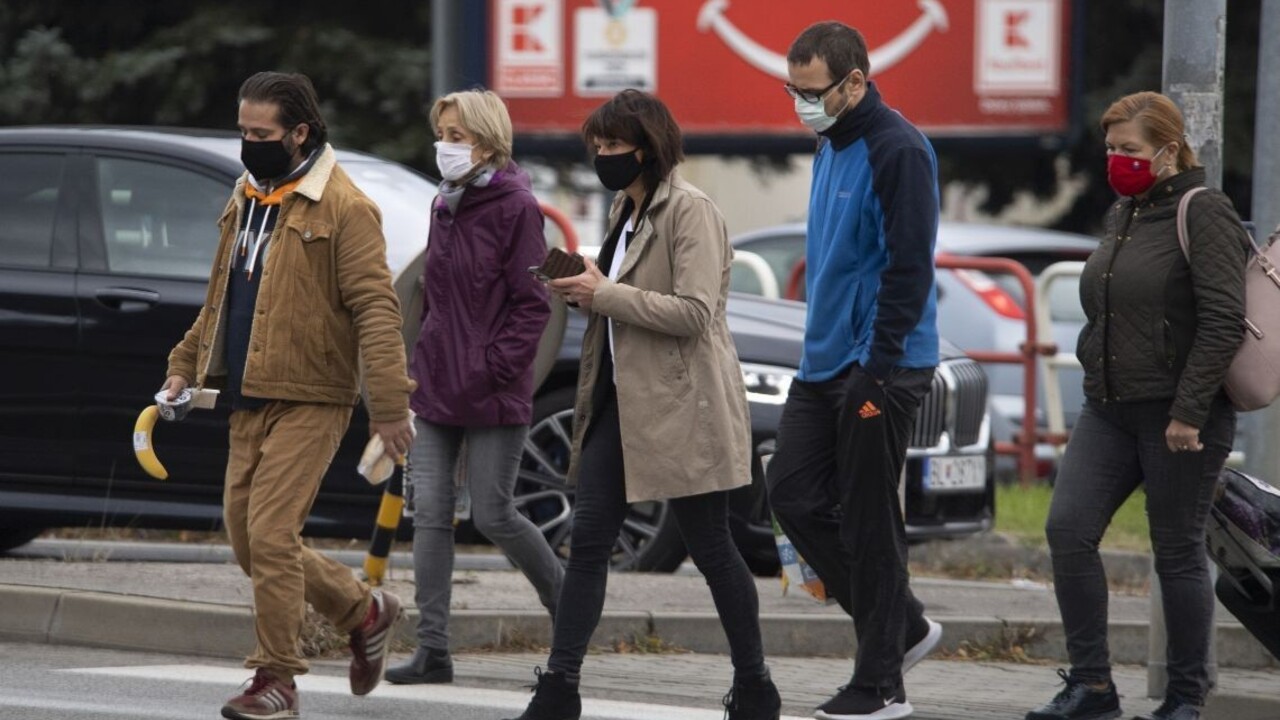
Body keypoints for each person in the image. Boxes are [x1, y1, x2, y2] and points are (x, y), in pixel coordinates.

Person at [503, 89, 781, 720]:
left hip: (683, 406)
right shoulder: (624, 211)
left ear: (648, 147)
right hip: (618, 402)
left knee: (711, 546)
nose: (603, 157)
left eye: (613, 147)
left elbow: (694, 312)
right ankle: (560, 686)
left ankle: (756, 684)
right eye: (596, 147)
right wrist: (583, 290)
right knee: (590, 538)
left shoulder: (691, 210)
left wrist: (602, 295)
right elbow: (619, 300)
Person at [163, 71, 413, 720]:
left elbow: (377, 311)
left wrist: (388, 408)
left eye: (262, 134)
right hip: (246, 396)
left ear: (300, 133)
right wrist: (182, 367)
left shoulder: (347, 210)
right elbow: (218, 299)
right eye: (243, 131)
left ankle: (277, 679)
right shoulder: (245, 196)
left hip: (312, 397)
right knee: (248, 540)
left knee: (272, 534)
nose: (249, 143)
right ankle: (364, 611)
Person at [1025, 91, 1248, 720]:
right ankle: (1092, 687)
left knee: (1175, 551)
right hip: (1109, 406)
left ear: (1169, 150)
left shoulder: (1204, 212)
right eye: (1112, 150)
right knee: (1067, 529)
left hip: (1179, 413)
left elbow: (1224, 320)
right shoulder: (1124, 211)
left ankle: (1185, 695)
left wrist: (1190, 410)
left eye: (1131, 150)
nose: (1118, 161)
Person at [764, 21, 943, 720]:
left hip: (881, 367)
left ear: (856, 81)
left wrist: (877, 365)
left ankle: (880, 685)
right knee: (793, 495)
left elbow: (909, 267)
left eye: (812, 92)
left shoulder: (897, 148)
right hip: (823, 362)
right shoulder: (830, 143)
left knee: (871, 521)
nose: (801, 103)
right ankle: (903, 623)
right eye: (793, 90)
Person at [385, 89, 564, 685]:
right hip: (437, 383)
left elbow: (531, 305)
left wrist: (491, 365)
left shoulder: (517, 207)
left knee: (493, 512)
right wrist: (420, 357)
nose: (445, 146)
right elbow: (430, 294)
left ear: (488, 142)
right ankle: (433, 649)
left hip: (493, 387)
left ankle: (569, 611)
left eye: (455, 135)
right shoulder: (446, 202)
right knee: (431, 512)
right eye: (442, 133)